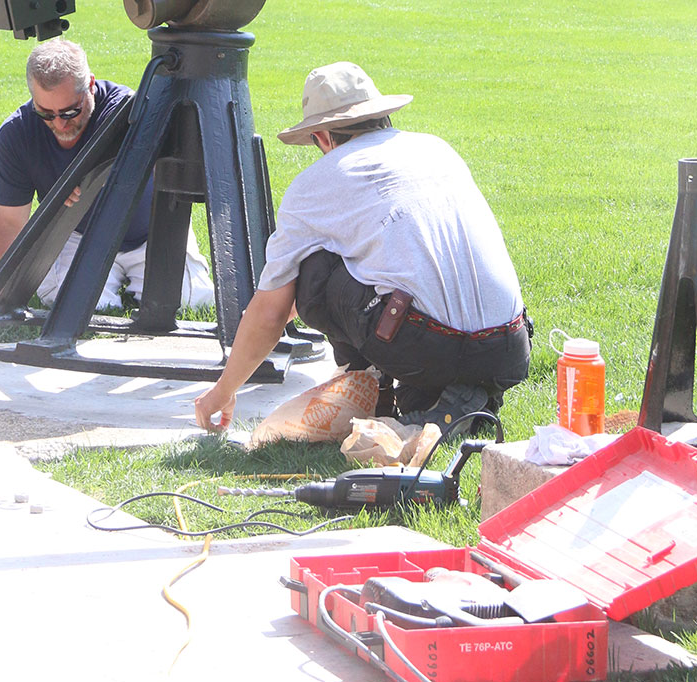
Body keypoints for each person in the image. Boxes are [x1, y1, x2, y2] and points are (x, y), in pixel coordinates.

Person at [194, 62, 530, 433]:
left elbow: (271, 312)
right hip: (509, 347)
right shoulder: (436, 148)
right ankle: (456, 398)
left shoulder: (316, 184)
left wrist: (222, 391)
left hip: (429, 350)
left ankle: (369, 386)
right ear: (381, 115)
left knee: (314, 270)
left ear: (322, 136)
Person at [0, 40, 214, 310]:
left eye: (71, 111)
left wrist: (88, 176)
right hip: (78, 235)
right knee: (78, 307)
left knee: (190, 302)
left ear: (91, 86)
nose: (59, 123)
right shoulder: (16, 135)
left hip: (152, 232)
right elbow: (9, 222)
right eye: (46, 114)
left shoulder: (129, 112)